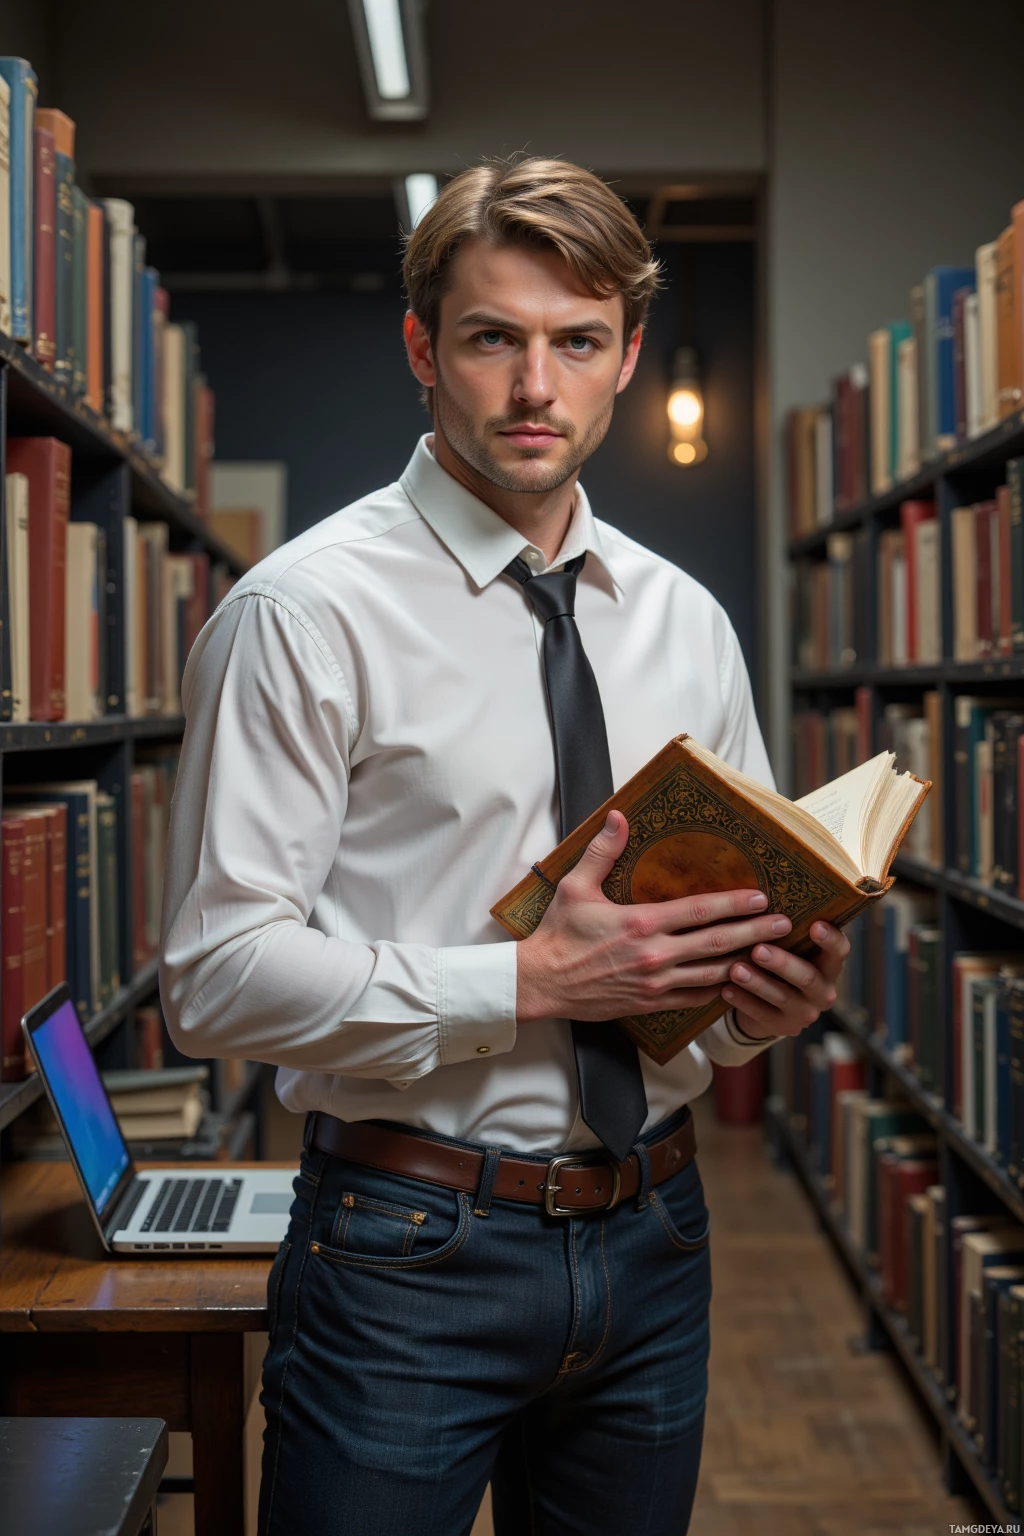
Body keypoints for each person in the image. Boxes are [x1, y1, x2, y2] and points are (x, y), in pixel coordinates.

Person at [160, 155, 849, 1536]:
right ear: (425, 348)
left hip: (656, 1239)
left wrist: (758, 1011)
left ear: (625, 359)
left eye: (577, 342)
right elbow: (214, 978)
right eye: (494, 338)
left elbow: (700, 986)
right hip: (404, 1253)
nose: (536, 386)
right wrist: (529, 984)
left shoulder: (685, 622)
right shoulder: (303, 615)